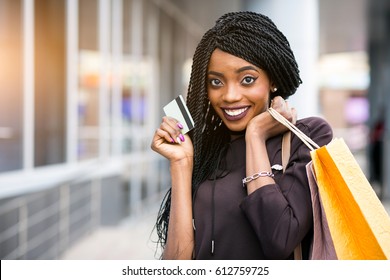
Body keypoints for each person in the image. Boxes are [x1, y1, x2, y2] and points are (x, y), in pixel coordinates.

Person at [151, 11, 333, 260]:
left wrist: (256, 135)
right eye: (216, 82)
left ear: (273, 80)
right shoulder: (206, 149)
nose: (230, 96)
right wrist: (181, 164)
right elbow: (177, 264)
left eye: (247, 79)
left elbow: (280, 238)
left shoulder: (309, 136)